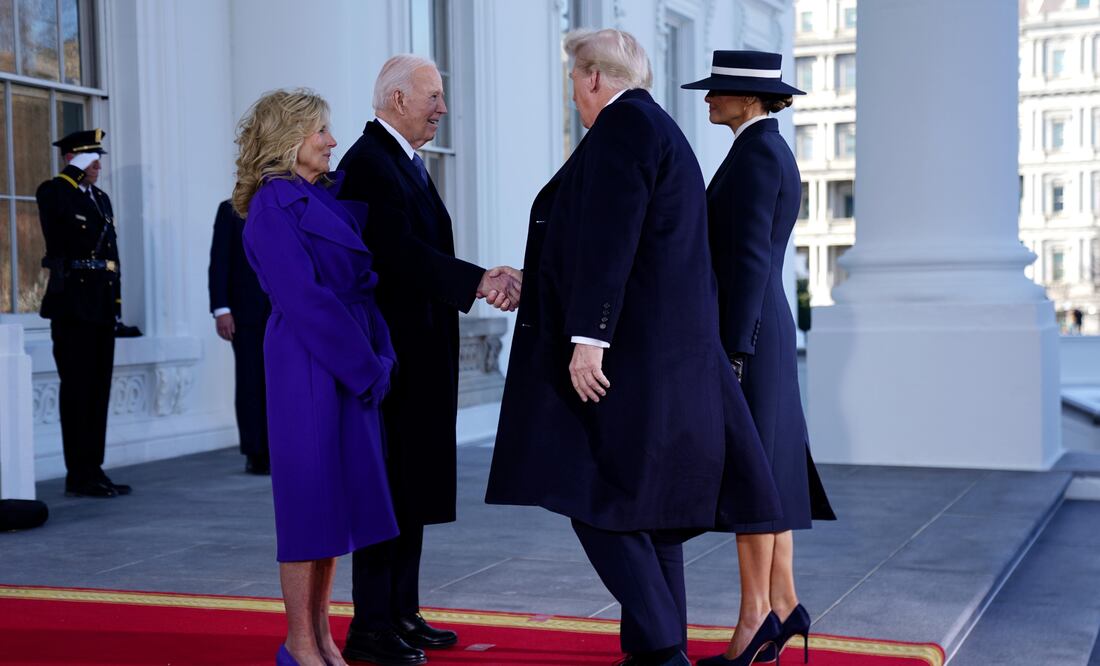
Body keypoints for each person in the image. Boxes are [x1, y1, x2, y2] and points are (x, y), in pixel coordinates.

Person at [485, 30, 782, 666]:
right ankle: (653, 651)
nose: (573, 94)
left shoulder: (623, 129)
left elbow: (610, 241)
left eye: (572, 81)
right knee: (649, 511)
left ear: (593, 78)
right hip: (664, 360)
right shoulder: (658, 128)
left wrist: (588, 340)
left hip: (627, 361)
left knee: (589, 493)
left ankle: (663, 651)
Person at [335, 55, 520, 666]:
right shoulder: (368, 163)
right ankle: (371, 626)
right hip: (393, 356)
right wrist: (478, 280)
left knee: (410, 485)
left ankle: (401, 612)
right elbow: (397, 252)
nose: (442, 108)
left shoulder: (404, 161)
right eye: (433, 97)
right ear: (395, 100)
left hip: (421, 347)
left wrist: (473, 280)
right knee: (388, 486)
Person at [234, 88, 400, 666]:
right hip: (309, 362)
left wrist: (379, 354)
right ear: (289, 139)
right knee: (309, 507)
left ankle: (325, 639)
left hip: (347, 356)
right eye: (322, 131)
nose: (333, 142)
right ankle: (299, 644)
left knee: (335, 507)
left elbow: (361, 285)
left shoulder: (314, 196)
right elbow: (304, 300)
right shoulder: (273, 205)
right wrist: (365, 365)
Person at [682, 50, 837, 665]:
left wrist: (733, 350)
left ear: (749, 99)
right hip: (763, 329)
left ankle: (754, 620)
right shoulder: (763, 150)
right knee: (769, 471)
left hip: (752, 335)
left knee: (754, 476)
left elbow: (747, 260)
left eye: (718, 91)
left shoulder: (755, 156)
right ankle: (784, 604)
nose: (707, 99)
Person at [36, 129, 132, 498]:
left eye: (98, 158)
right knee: (76, 390)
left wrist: (118, 307)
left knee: (98, 390)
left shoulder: (100, 199)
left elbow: (112, 259)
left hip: (102, 307)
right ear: (70, 158)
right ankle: (77, 473)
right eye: (88, 158)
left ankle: (94, 467)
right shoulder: (54, 191)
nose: (96, 165)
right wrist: (72, 174)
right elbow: (55, 218)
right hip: (73, 307)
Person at [208, 199, 272, 474]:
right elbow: (219, 260)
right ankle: (255, 452)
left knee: (278, 384)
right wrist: (221, 309)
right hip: (245, 314)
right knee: (250, 383)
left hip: (282, 312)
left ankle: (277, 448)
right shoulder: (231, 208)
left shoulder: (282, 204)